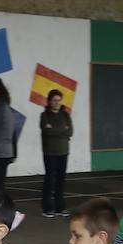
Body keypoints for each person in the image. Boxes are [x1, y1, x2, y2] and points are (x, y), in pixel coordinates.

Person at [39, 89, 72, 217]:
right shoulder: (44, 115)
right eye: (54, 100)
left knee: (61, 180)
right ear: (49, 101)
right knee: (50, 179)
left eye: (59, 100)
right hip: (49, 152)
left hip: (63, 151)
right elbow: (46, 132)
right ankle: (47, 208)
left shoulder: (66, 115)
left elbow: (70, 132)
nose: (57, 103)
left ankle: (60, 207)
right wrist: (61, 131)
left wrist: (54, 130)